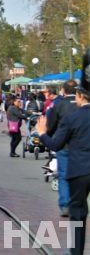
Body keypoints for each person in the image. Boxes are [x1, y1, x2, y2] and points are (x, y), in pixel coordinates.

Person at [36, 51, 90, 255]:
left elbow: (56, 144)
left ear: (79, 96)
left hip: (78, 170)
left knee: (77, 213)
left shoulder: (72, 118)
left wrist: (41, 134)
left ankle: (76, 252)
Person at [46, 79, 78, 217]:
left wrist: (50, 137)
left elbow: (51, 125)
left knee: (64, 175)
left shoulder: (58, 105)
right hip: (80, 146)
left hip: (63, 145)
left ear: (63, 91)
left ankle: (65, 205)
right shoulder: (82, 105)